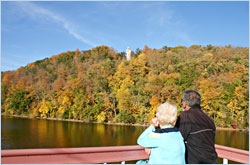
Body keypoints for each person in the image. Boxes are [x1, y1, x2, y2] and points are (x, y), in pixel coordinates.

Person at [175, 90, 218, 164]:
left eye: (182, 101)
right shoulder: (209, 119)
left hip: (195, 161)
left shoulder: (185, 115)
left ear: (184, 103)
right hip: (212, 161)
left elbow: (177, 139)